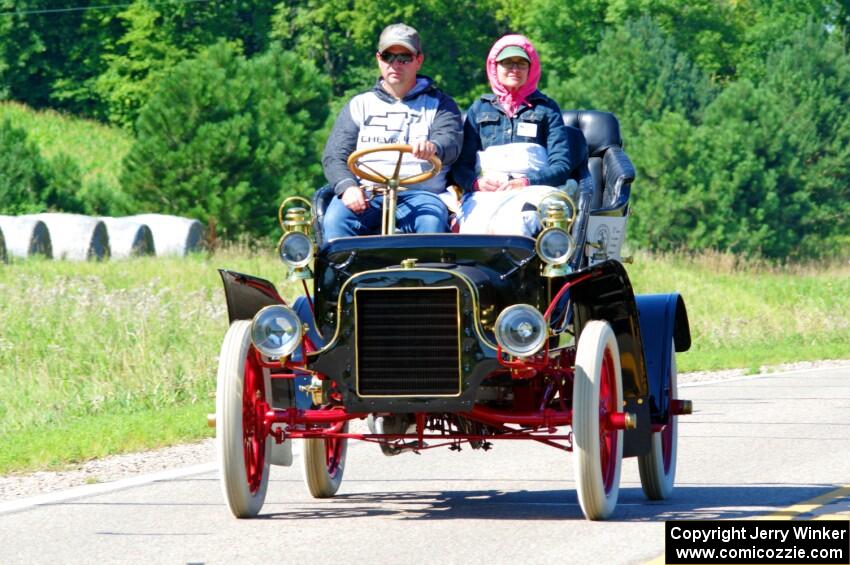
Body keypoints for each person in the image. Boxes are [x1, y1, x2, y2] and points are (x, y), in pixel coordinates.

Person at [321, 23, 463, 240]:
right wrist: (348, 187)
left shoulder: (441, 104)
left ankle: (426, 273)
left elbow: (450, 142)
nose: (395, 64)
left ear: (419, 60)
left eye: (404, 57)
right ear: (379, 59)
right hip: (368, 193)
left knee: (432, 220)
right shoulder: (360, 105)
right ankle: (348, 275)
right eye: (388, 56)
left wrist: (433, 147)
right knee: (335, 220)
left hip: (421, 196)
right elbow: (334, 156)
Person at [452, 34, 578, 236]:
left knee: (514, 225)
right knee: (472, 231)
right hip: (486, 193)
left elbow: (561, 166)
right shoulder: (479, 108)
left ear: (531, 68)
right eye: (507, 63)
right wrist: (476, 183)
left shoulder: (547, 109)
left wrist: (525, 182)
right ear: (495, 67)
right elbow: (461, 167)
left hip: (533, 190)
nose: (514, 69)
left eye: (521, 63)